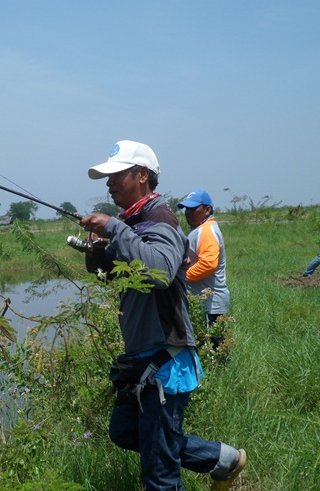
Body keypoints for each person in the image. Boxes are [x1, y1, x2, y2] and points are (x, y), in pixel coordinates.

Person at [77, 140, 246, 491]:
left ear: (142, 176)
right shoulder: (135, 223)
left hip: (164, 360)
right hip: (141, 356)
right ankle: (222, 459)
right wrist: (97, 254)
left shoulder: (160, 219)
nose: (109, 183)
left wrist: (114, 228)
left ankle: (219, 460)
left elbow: (161, 271)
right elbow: (117, 276)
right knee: (125, 432)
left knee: (159, 477)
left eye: (116, 175)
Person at [178, 189, 230, 335]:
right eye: (186, 209)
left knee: (210, 351)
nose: (188, 212)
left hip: (210, 304)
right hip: (204, 303)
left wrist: (182, 277)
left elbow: (208, 264)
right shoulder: (201, 229)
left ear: (207, 210)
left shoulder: (206, 231)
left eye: (193, 209)